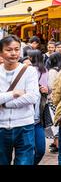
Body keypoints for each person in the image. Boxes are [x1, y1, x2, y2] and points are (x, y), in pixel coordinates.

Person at [0, 36, 40, 165]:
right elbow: (25, 97)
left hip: (24, 126)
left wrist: (4, 102)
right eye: (9, 50)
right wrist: (14, 93)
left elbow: (32, 97)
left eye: (17, 49)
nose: (13, 53)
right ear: (1, 52)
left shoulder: (29, 71)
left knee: (25, 162)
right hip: (1, 127)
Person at [27, 49, 50, 165]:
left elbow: (48, 89)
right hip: (26, 119)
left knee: (39, 150)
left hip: (38, 118)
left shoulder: (43, 71)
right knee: (31, 150)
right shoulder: (28, 70)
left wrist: (46, 90)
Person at [46, 52, 61, 153]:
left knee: (54, 121)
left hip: (53, 99)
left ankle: (57, 143)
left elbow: (50, 86)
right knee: (59, 121)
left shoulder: (52, 71)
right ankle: (56, 142)